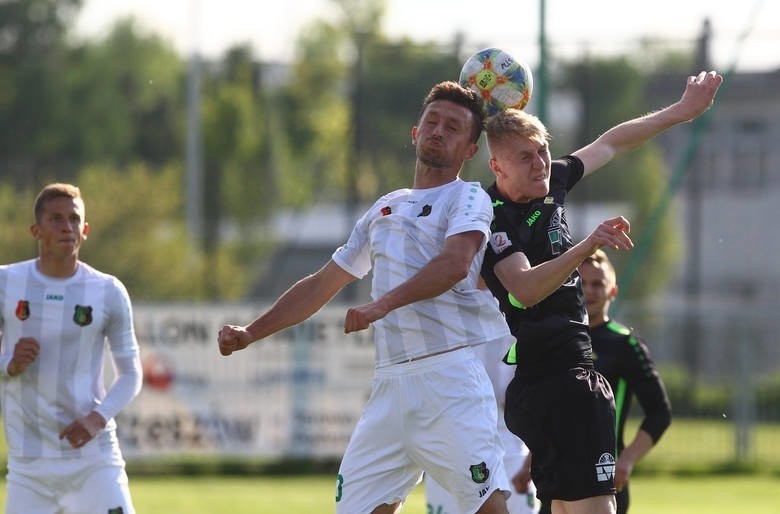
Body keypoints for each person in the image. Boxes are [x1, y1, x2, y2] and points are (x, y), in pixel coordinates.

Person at [218, 81, 514, 514]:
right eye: (431, 122)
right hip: (389, 387)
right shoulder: (384, 208)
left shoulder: (467, 197)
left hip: (448, 380)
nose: (438, 131)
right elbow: (321, 284)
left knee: (488, 508)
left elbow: (455, 264)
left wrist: (382, 304)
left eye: (453, 127)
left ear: (470, 150)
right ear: (414, 132)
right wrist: (251, 332)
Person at [479, 70, 722, 514]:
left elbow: (611, 143)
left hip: (542, 387)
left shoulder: (551, 182)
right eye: (525, 157)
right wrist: (587, 245)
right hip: (561, 381)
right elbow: (524, 289)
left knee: (563, 507)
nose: (541, 164)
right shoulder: (491, 216)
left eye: (544, 152)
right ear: (497, 166)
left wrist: (682, 111)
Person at [0, 183, 143, 514]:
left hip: (93, 459)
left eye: (74, 219)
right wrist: (9, 363)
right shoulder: (7, 283)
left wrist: (97, 418)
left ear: (86, 229)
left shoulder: (108, 291)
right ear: (36, 230)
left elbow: (131, 373)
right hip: (29, 465)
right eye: (56, 218)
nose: (67, 226)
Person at [425, 336, 539, 514]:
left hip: (509, 447)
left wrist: (530, 461)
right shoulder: (443, 325)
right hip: (449, 445)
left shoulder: (515, 325)